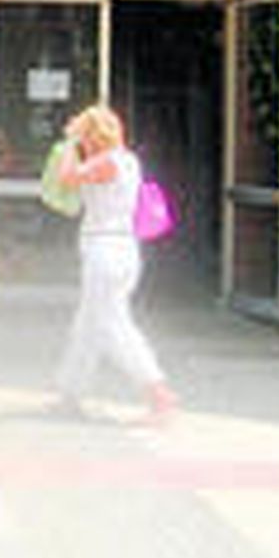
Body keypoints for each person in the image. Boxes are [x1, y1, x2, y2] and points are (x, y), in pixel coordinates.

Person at [52, 103, 179, 426]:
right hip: (120, 248)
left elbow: (67, 178)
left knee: (112, 326)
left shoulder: (107, 162)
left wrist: (68, 144)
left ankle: (158, 392)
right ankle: (71, 392)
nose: (83, 142)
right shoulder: (128, 161)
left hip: (104, 251)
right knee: (88, 324)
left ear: (94, 135)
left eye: (85, 135)